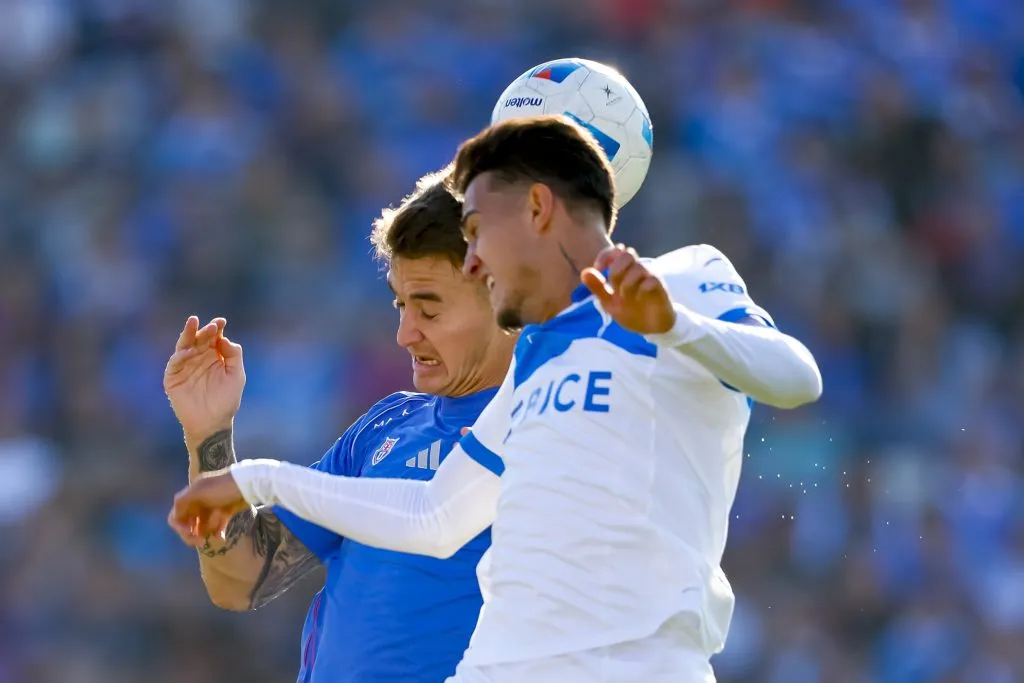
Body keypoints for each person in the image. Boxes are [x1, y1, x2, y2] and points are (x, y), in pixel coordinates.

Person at [169, 116, 823, 682]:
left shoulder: (673, 288)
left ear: (537, 211)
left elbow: (796, 377)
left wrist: (673, 324)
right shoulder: (500, 376)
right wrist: (234, 459)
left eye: (477, 232)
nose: (474, 258)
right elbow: (418, 520)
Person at [162, 167, 517, 683]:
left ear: (503, 296)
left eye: (430, 310)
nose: (404, 334)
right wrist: (209, 432)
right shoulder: (386, 425)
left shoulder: (547, 430)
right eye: (400, 304)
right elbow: (242, 579)